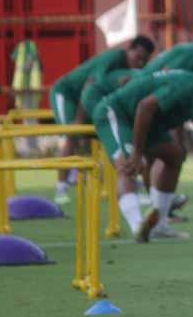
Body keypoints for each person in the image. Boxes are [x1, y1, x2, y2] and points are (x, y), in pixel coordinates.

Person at [92, 59, 193, 242]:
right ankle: (137, 226)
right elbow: (145, 106)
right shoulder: (187, 85)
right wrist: (137, 153)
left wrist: (179, 143)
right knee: (128, 166)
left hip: (148, 122)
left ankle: (159, 226)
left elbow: (175, 115)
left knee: (175, 156)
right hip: (118, 113)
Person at [50, 37, 154, 204]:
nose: (140, 63)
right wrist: (79, 119)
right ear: (129, 50)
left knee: (105, 136)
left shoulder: (131, 70)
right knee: (72, 136)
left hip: (89, 98)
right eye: (138, 57)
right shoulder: (113, 59)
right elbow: (90, 84)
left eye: (144, 60)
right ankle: (61, 189)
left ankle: (121, 182)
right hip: (67, 93)